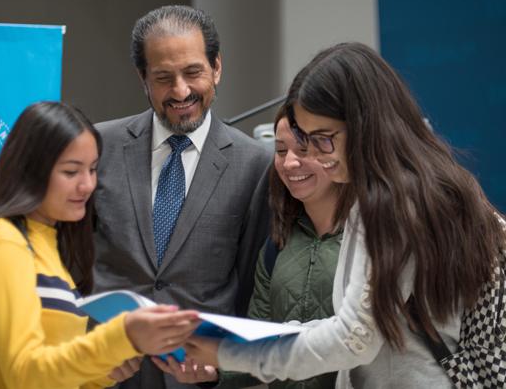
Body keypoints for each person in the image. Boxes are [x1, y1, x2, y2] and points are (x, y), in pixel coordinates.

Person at [184, 42, 506, 388]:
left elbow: (354, 338)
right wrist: (234, 342)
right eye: (306, 139)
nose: (317, 156)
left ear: (365, 124)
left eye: (324, 139)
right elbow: (350, 326)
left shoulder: (396, 204)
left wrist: (230, 350)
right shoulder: (418, 187)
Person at [0, 101, 201, 389]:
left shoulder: (47, 243)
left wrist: (105, 370)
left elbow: (52, 373)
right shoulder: (0, 243)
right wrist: (121, 337)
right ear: (29, 170)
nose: (87, 185)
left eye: (93, 169)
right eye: (71, 172)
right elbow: (24, 374)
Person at [92, 5, 272, 388]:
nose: (180, 91)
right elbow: (68, 262)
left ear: (216, 68)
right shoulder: (97, 147)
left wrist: (226, 367)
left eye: (192, 72)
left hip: (198, 378)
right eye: (163, 77)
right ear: (143, 79)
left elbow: (253, 291)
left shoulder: (256, 164)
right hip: (105, 372)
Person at [154, 103, 343, 389]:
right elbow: (259, 342)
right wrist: (215, 368)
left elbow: (361, 339)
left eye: (304, 150)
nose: (290, 162)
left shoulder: (368, 238)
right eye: (280, 150)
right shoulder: (277, 243)